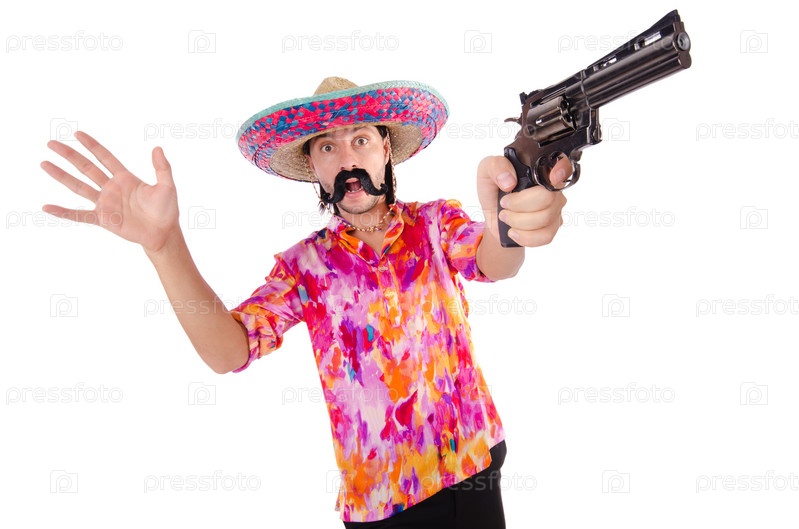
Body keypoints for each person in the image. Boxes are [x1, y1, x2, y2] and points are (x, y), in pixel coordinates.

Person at [41, 76, 571, 528]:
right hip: (381, 501)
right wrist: (165, 246)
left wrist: (510, 221)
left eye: (360, 140)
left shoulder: (436, 224)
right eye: (327, 148)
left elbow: (495, 261)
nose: (347, 160)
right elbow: (228, 352)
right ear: (312, 167)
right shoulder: (304, 267)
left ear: (386, 149)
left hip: (469, 466)